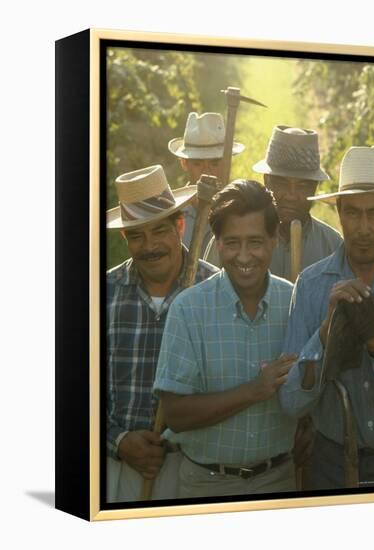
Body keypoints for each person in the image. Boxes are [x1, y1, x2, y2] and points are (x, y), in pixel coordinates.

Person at [153, 180, 298, 498]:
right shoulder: (189, 310)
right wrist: (255, 390)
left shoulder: (295, 303)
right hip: (205, 485)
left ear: (274, 240)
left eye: (255, 242)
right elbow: (175, 416)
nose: (244, 256)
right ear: (216, 243)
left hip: (279, 481)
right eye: (232, 242)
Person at [280, 146, 374, 490]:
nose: (363, 228)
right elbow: (291, 402)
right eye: (353, 213)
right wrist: (325, 331)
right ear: (339, 215)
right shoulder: (312, 286)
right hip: (331, 463)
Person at [106, 164, 217, 503]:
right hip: (116, 467)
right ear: (125, 238)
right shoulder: (102, 294)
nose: (150, 246)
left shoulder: (213, 291)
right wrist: (118, 440)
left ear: (179, 226)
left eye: (159, 231)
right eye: (137, 235)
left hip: (194, 466)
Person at [204, 125, 342, 280]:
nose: (291, 195)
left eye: (303, 186)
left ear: (315, 188)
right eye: (282, 183)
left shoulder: (332, 246)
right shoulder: (230, 239)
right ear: (266, 181)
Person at [169, 111, 244, 257]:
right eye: (198, 164)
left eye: (214, 163)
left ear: (226, 163)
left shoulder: (241, 209)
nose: (207, 171)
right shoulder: (171, 213)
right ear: (184, 163)